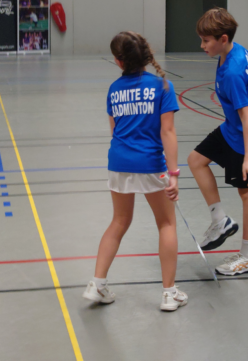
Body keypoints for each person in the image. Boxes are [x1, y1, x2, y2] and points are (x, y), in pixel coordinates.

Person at [82, 31, 187, 311]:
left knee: (119, 221)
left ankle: (97, 283)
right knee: (166, 224)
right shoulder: (162, 86)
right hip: (150, 164)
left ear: (119, 61)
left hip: (118, 162)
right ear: (146, 56)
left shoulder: (114, 89)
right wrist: (173, 174)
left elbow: (114, 130)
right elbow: (168, 131)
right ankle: (169, 293)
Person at [187, 8, 248, 276]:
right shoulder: (237, 51)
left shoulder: (232, 73)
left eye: (206, 41)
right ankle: (220, 220)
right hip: (232, 127)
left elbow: (247, 117)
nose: (202, 46)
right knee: (196, 160)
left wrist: (247, 160)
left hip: (246, 134)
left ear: (223, 39)